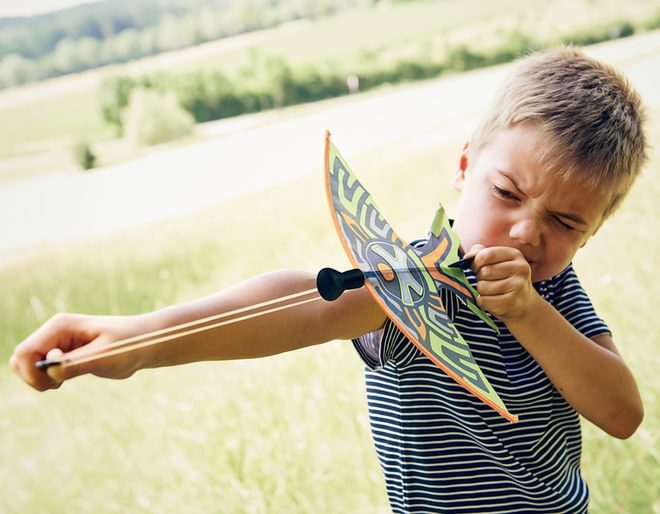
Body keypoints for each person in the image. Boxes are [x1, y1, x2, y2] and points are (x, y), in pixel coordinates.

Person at [11, 47, 646, 513]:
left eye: (565, 222)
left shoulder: (555, 292)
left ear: (591, 232)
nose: (526, 234)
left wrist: (530, 313)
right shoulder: (410, 277)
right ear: (464, 166)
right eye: (506, 191)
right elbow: (305, 303)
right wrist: (143, 339)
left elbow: (621, 413)